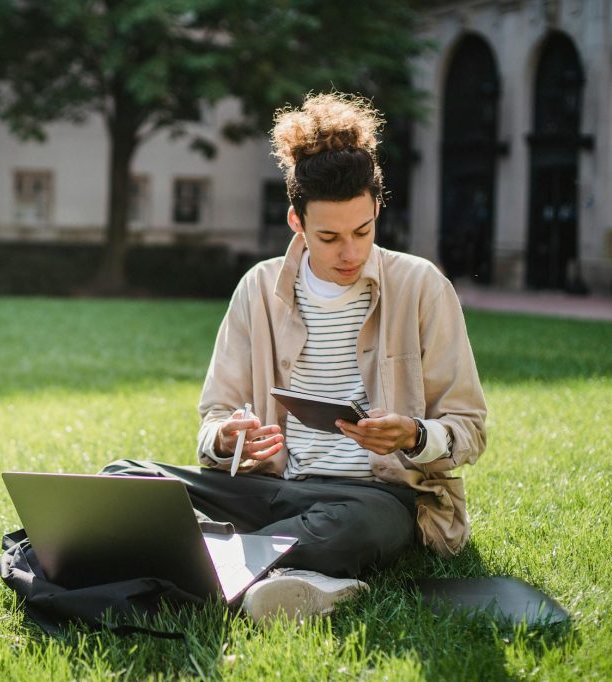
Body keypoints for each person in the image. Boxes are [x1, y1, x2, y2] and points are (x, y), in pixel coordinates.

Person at [102, 92, 487, 622]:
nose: (350, 253)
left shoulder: (422, 286)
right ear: (296, 222)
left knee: (359, 527)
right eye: (329, 237)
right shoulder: (257, 288)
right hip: (270, 488)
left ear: (377, 209)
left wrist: (415, 436)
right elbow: (214, 416)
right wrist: (225, 438)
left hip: (376, 498)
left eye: (363, 231)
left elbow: (468, 427)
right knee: (121, 478)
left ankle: (196, 556)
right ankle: (285, 572)